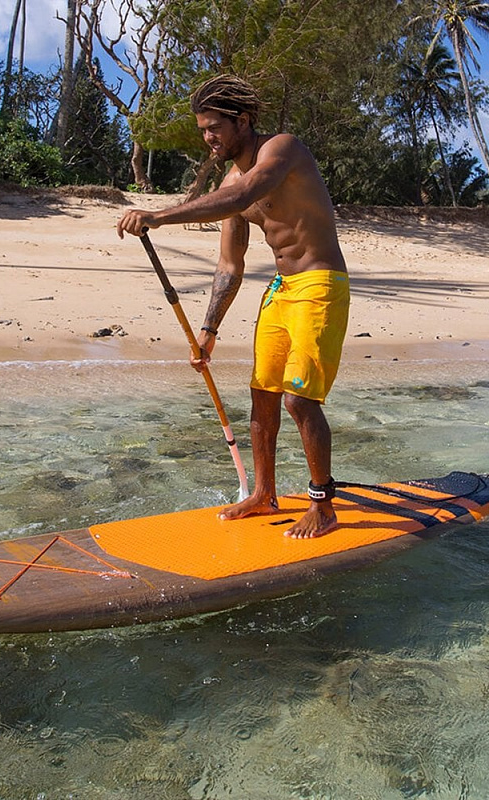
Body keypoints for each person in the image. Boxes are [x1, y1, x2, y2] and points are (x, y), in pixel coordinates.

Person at [117, 75, 350, 539]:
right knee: (262, 395)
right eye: (203, 129)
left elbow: (243, 195)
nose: (208, 137)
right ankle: (264, 494)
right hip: (282, 290)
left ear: (242, 121)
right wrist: (208, 329)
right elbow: (229, 265)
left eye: (214, 127)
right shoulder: (229, 180)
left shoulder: (281, 150)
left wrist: (159, 216)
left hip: (320, 285)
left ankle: (323, 504)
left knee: (298, 399)